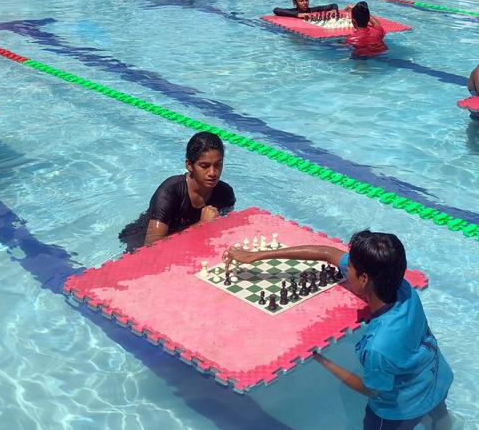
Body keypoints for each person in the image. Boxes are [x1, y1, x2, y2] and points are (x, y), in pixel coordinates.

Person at [223, 230, 452, 430]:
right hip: (437, 378)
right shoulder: (401, 286)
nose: (345, 267)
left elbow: (372, 390)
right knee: (439, 418)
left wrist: (322, 360)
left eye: (350, 266)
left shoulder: (378, 347)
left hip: (401, 410)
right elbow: (328, 253)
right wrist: (258, 256)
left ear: (363, 279)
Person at [140, 131, 235, 247]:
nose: (212, 173)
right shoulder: (169, 192)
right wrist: (201, 225)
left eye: (218, 165)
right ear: (189, 165)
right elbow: (151, 246)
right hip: (139, 241)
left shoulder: (225, 194)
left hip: (186, 241)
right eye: (204, 166)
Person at [273, 0, 339, 17]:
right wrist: (298, 15)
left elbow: (333, 5)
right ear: (295, 3)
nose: (305, 3)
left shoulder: (312, 10)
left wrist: (333, 10)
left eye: (306, 0)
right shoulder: (293, 11)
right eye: (301, 1)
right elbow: (276, 10)